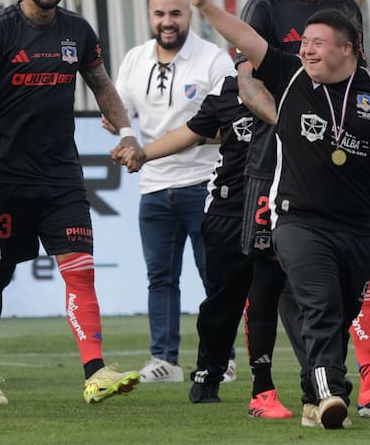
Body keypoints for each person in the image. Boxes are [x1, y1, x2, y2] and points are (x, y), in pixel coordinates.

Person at [182, 0, 370, 430]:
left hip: (357, 227)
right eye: (304, 42)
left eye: (317, 43)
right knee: (321, 304)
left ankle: (312, 396)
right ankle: (331, 392)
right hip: (299, 221)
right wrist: (205, 7)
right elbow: (246, 38)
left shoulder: (367, 90)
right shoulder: (290, 76)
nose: (306, 49)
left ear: (347, 49)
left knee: (343, 311)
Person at [0, 0, 142, 405]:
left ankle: (95, 371)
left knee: (80, 272)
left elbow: (102, 85)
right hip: (6, 176)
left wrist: (126, 133)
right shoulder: (0, 29)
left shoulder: (78, 31)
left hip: (61, 176)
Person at [235, 0, 363, 420]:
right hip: (273, 162)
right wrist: (287, 121)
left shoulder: (343, 6)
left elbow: (353, 74)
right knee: (269, 275)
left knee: (334, 292)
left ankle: (318, 388)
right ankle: (263, 389)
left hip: (336, 171)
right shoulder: (263, 7)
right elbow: (249, 82)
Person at [112, 76, 286, 412]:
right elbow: (193, 131)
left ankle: (316, 382)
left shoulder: (299, 83)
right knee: (223, 301)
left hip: (287, 209)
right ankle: (209, 373)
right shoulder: (228, 88)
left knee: (291, 300)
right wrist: (144, 153)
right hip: (229, 210)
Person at [112, 0, 235, 383]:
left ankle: (222, 359)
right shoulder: (134, 59)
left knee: (214, 277)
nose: (167, 22)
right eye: (159, 14)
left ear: (190, 16)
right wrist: (122, 130)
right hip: (152, 186)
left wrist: (188, 139)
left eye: (175, 14)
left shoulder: (213, 59)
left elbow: (231, 124)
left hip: (205, 183)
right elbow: (118, 111)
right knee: (160, 279)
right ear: (150, 16)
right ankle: (164, 360)